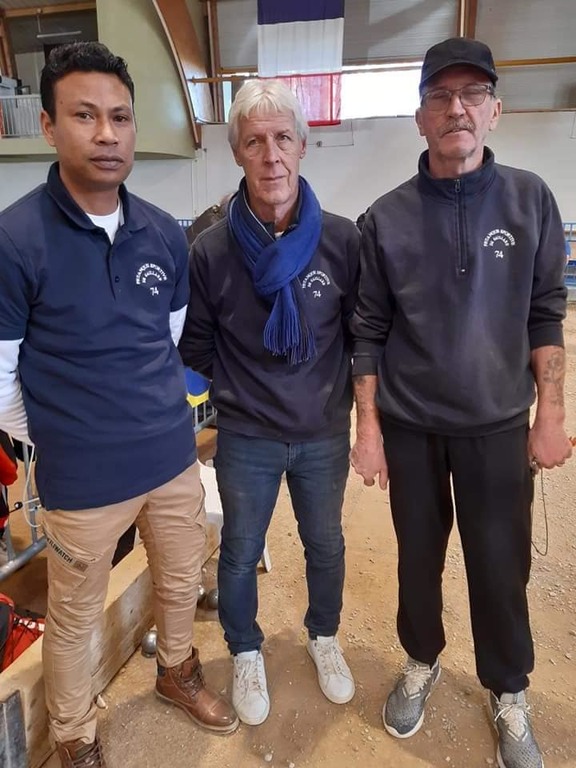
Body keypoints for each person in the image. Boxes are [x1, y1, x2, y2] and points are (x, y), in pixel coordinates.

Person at [0, 42, 237, 768]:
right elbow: (1, 378)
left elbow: (168, 343)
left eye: (120, 117)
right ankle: (75, 737)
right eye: (85, 116)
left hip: (169, 458)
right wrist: (59, 436)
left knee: (180, 576)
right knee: (73, 618)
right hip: (82, 481)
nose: (107, 133)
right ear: (49, 125)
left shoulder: (163, 233)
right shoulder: (14, 239)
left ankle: (176, 671)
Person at [350, 37, 571, 768]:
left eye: (472, 94)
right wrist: (369, 431)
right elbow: (368, 331)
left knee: (499, 565)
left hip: (498, 425)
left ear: (494, 110)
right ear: (420, 118)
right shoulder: (386, 218)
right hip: (411, 426)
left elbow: (546, 312)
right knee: (418, 558)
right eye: (440, 96)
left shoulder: (531, 200)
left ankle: (508, 689)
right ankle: (422, 658)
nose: (457, 109)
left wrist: (551, 415)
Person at [179, 79, 360, 726]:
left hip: (322, 432)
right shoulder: (210, 250)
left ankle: (323, 636)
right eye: (254, 142)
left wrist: (358, 417)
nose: (271, 155)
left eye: (283, 138)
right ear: (237, 153)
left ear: (303, 146)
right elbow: (196, 346)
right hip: (248, 435)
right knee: (238, 550)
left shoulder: (341, 241)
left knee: (325, 545)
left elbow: (361, 336)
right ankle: (246, 649)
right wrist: (236, 391)